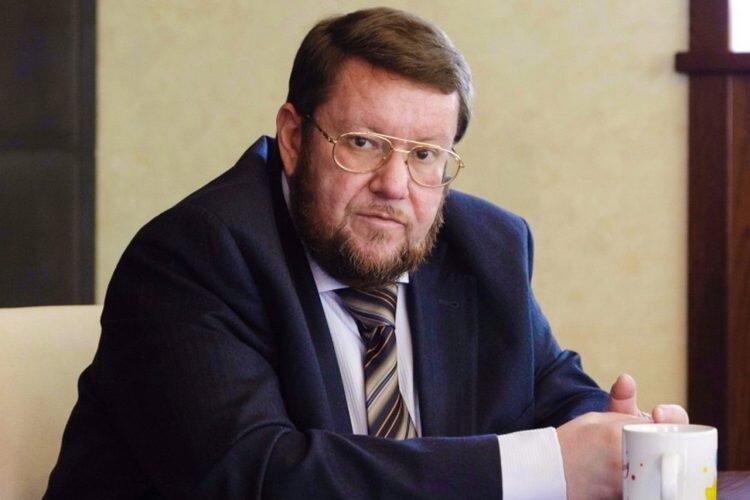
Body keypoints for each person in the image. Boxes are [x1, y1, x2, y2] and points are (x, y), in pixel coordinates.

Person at [45, 7, 687, 499]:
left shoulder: (486, 247)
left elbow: (554, 396)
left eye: (425, 154)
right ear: (293, 138)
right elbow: (253, 476)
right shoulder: (192, 256)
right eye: (362, 143)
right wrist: (541, 465)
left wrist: (619, 440)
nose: (394, 185)